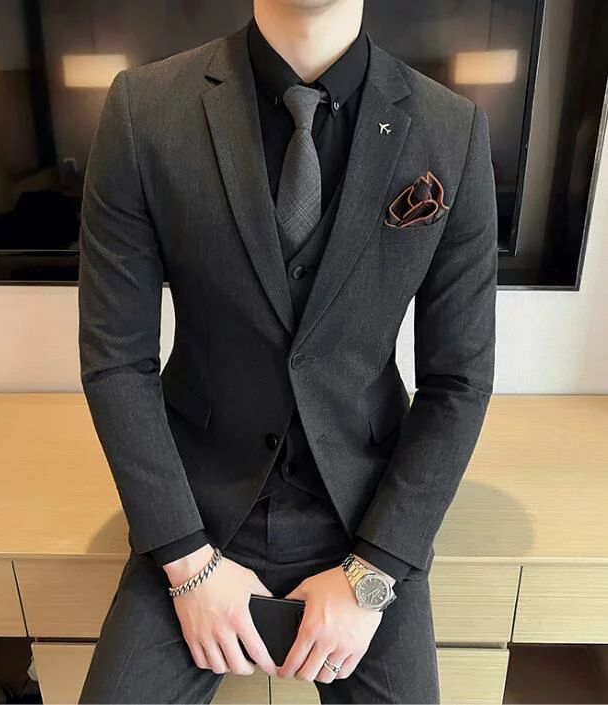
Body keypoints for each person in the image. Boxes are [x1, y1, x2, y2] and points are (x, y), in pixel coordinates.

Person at [77, 0, 498, 702]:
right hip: (196, 510)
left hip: (366, 513)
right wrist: (186, 563)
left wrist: (371, 575)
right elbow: (116, 360)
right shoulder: (142, 111)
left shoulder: (450, 130)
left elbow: (458, 379)